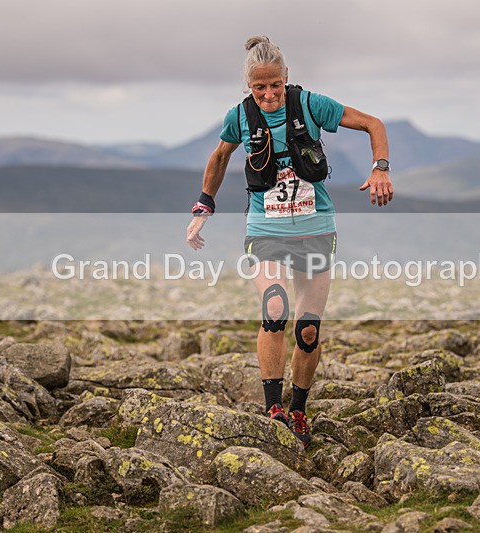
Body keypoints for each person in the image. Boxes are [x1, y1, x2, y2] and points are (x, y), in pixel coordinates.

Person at [187, 35, 393, 448]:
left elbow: (374, 124)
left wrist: (381, 168)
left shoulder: (312, 105)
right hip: (266, 228)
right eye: (258, 88)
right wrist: (203, 205)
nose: (267, 94)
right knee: (275, 309)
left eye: (275, 85)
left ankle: (298, 409)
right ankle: (272, 408)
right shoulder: (239, 116)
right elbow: (219, 157)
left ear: (286, 78)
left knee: (309, 330)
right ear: (249, 86)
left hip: (316, 227)